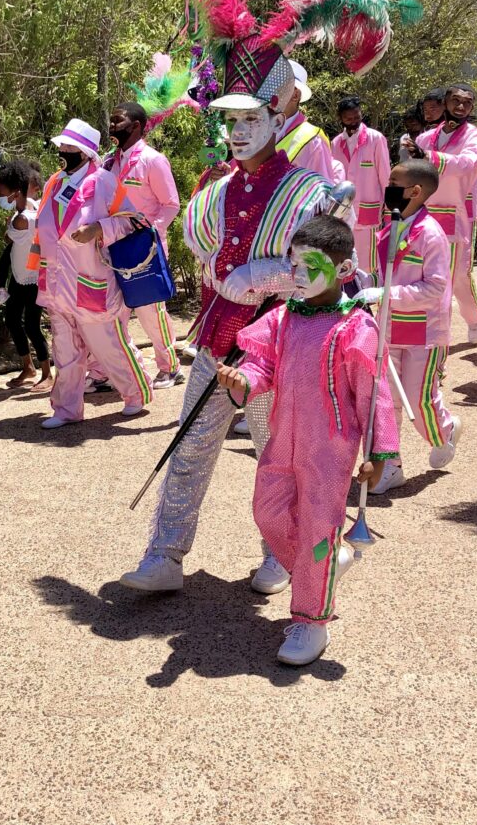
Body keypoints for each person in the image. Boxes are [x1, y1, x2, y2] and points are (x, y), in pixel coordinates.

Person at [119, 35, 331, 593]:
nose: (237, 132)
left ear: (276, 115)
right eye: (230, 121)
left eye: (249, 119)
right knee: (191, 443)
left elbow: (323, 270)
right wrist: (219, 272)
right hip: (218, 336)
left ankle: (281, 552)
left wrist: (262, 276)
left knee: (272, 450)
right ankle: (165, 554)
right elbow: (203, 248)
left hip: (274, 347)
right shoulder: (215, 192)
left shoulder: (307, 190)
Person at [216, 215, 398, 665]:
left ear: (343, 270)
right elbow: (263, 369)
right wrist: (241, 379)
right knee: (268, 510)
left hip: (329, 452)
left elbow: (374, 395)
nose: (298, 274)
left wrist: (380, 453)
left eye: (309, 264)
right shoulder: (282, 319)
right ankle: (324, 562)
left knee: (318, 525)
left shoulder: (356, 328)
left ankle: (311, 620)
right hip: (282, 441)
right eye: (293, 264)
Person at [30, 118, 154, 428]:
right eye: (62, 145)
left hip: (91, 282)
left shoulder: (104, 181)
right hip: (57, 284)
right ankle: (66, 409)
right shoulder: (54, 183)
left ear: (86, 152)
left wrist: (99, 228)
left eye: (70, 147)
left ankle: (136, 393)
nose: (64, 150)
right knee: (65, 349)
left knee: (108, 345)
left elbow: (133, 221)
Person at [361, 159, 458, 494]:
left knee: (419, 400)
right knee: (384, 400)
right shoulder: (390, 226)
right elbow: (384, 275)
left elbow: (434, 288)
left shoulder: (431, 234)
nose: (388, 190)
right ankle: (391, 466)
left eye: (393, 183)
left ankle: (445, 430)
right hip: (388, 326)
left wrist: (386, 292)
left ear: (415, 192)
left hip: (424, 332)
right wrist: (364, 280)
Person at [105, 102, 184, 388]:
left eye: (118, 122)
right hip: (114, 247)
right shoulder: (109, 162)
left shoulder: (153, 160)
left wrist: (150, 231)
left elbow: (171, 205)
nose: (112, 127)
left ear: (136, 126)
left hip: (146, 250)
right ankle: (122, 371)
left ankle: (170, 368)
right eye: (111, 122)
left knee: (151, 313)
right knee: (115, 312)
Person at [411, 82, 477, 344]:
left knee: (455, 277)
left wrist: (430, 157)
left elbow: (467, 163)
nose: (460, 106)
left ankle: (472, 319)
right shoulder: (424, 138)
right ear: (445, 103)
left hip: (457, 215)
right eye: (455, 100)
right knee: (428, 275)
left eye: (467, 102)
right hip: (426, 214)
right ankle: (430, 334)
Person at [0, 160, 52, 391]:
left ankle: (47, 373)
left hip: (33, 278)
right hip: (19, 277)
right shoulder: (26, 206)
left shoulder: (22, 219)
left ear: (15, 193)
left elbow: (7, 239)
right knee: (12, 320)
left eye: (1, 194)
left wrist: (8, 225)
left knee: (31, 326)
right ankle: (28, 367)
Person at [332, 95, 391, 274]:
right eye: (349, 118)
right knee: (347, 257)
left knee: (369, 261)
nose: (354, 121)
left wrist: (389, 209)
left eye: (357, 116)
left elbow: (385, 175)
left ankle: (369, 298)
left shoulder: (375, 138)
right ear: (341, 119)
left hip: (369, 210)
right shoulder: (336, 143)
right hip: (344, 212)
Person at [275, 61, 339, 181]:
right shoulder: (258, 129)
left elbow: (322, 193)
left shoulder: (314, 141)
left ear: (295, 95)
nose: (267, 93)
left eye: (276, 87)